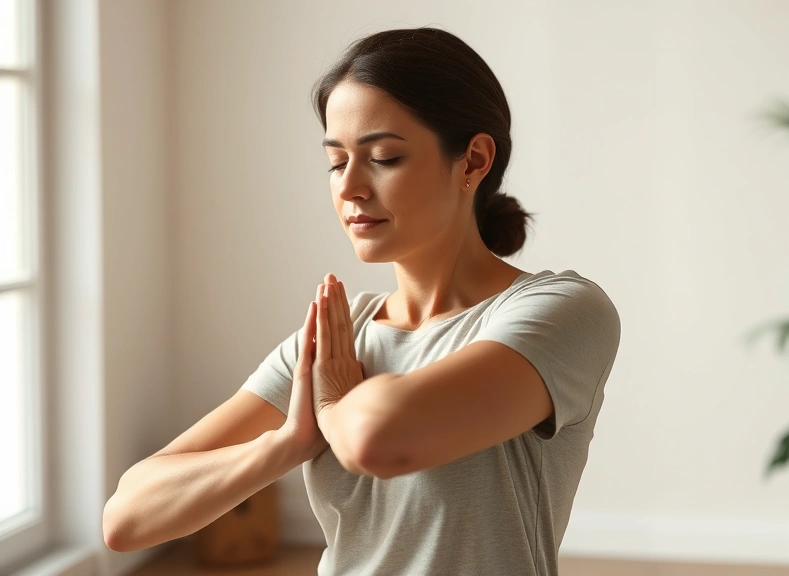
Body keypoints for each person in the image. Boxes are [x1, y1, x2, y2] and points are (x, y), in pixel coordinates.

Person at [103, 26, 620, 576]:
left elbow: (377, 440)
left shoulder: (561, 312)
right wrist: (285, 444)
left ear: (472, 161)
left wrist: (327, 407)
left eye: (384, 157)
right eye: (335, 161)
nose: (349, 186)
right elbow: (127, 519)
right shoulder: (337, 338)